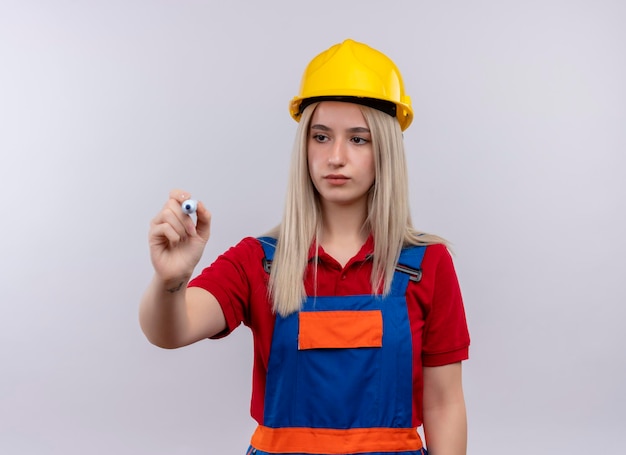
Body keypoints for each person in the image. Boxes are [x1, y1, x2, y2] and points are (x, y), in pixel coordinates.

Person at [140, 39, 470, 455]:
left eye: (358, 139)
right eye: (321, 136)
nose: (335, 157)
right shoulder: (258, 261)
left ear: (385, 148)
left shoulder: (427, 265)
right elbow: (170, 331)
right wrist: (170, 280)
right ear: (305, 147)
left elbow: (444, 405)